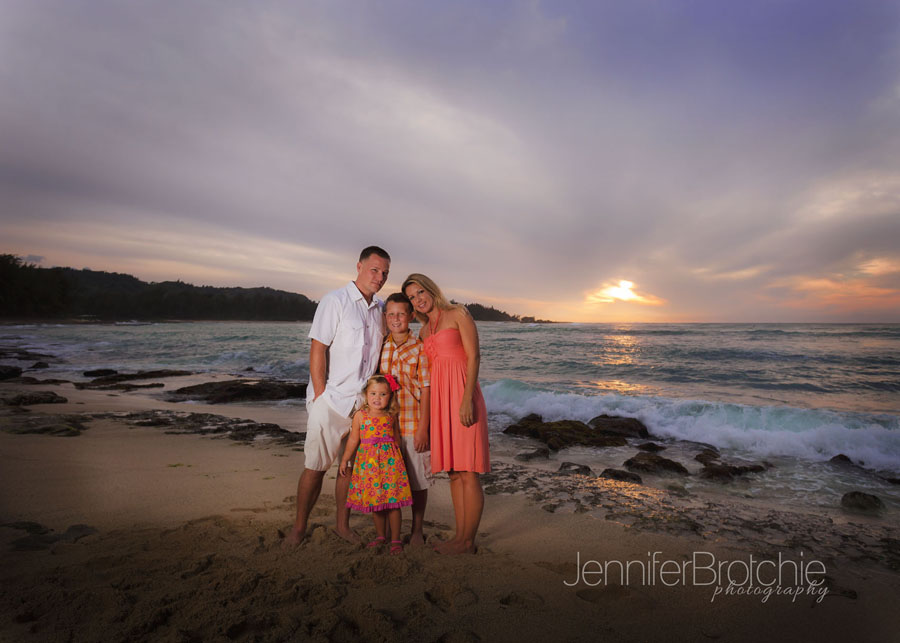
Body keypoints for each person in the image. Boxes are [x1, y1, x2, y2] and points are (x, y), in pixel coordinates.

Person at [283, 246, 390, 547]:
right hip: (331, 402)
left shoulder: (380, 309)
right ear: (359, 266)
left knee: (348, 468)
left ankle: (342, 526)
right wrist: (321, 397)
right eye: (374, 270)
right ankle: (298, 528)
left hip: (362, 406)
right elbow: (318, 348)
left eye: (384, 273)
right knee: (315, 467)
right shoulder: (335, 301)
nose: (379, 277)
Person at [401, 273, 490, 555]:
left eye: (420, 292)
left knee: (469, 471)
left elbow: (474, 357)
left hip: (463, 397)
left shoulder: (458, 313)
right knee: (453, 472)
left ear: (431, 289)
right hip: (440, 404)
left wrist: (467, 401)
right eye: (412, 298)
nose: (418, 300)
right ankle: (460, 537)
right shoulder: (423, 332)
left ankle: (468, 542)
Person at [379, 292, 431, 546]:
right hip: (387, 426)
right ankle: (391, 531)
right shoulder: (382, 345)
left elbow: (427, 389)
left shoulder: (419, 347)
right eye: (391, 314)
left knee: (417, 480)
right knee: (389, 480)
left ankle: (417, 529)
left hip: (412, 422)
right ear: (385, 316)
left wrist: (424, 428)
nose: (396, 318)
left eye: (401, 313)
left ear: (411, 316)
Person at [339, 374, 412, 555]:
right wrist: (345, 459)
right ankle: (381, 536)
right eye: (373, 393)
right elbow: (353, 439)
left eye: (382, 394)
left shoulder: (391, 416)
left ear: (390, 396)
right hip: (369, 466)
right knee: (376, 501)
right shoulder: (360, 416)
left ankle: (395, 539)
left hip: (390, 465)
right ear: (366, 394)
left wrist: (400, 463)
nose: (377, 398)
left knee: (393, 503)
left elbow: (397, 439)